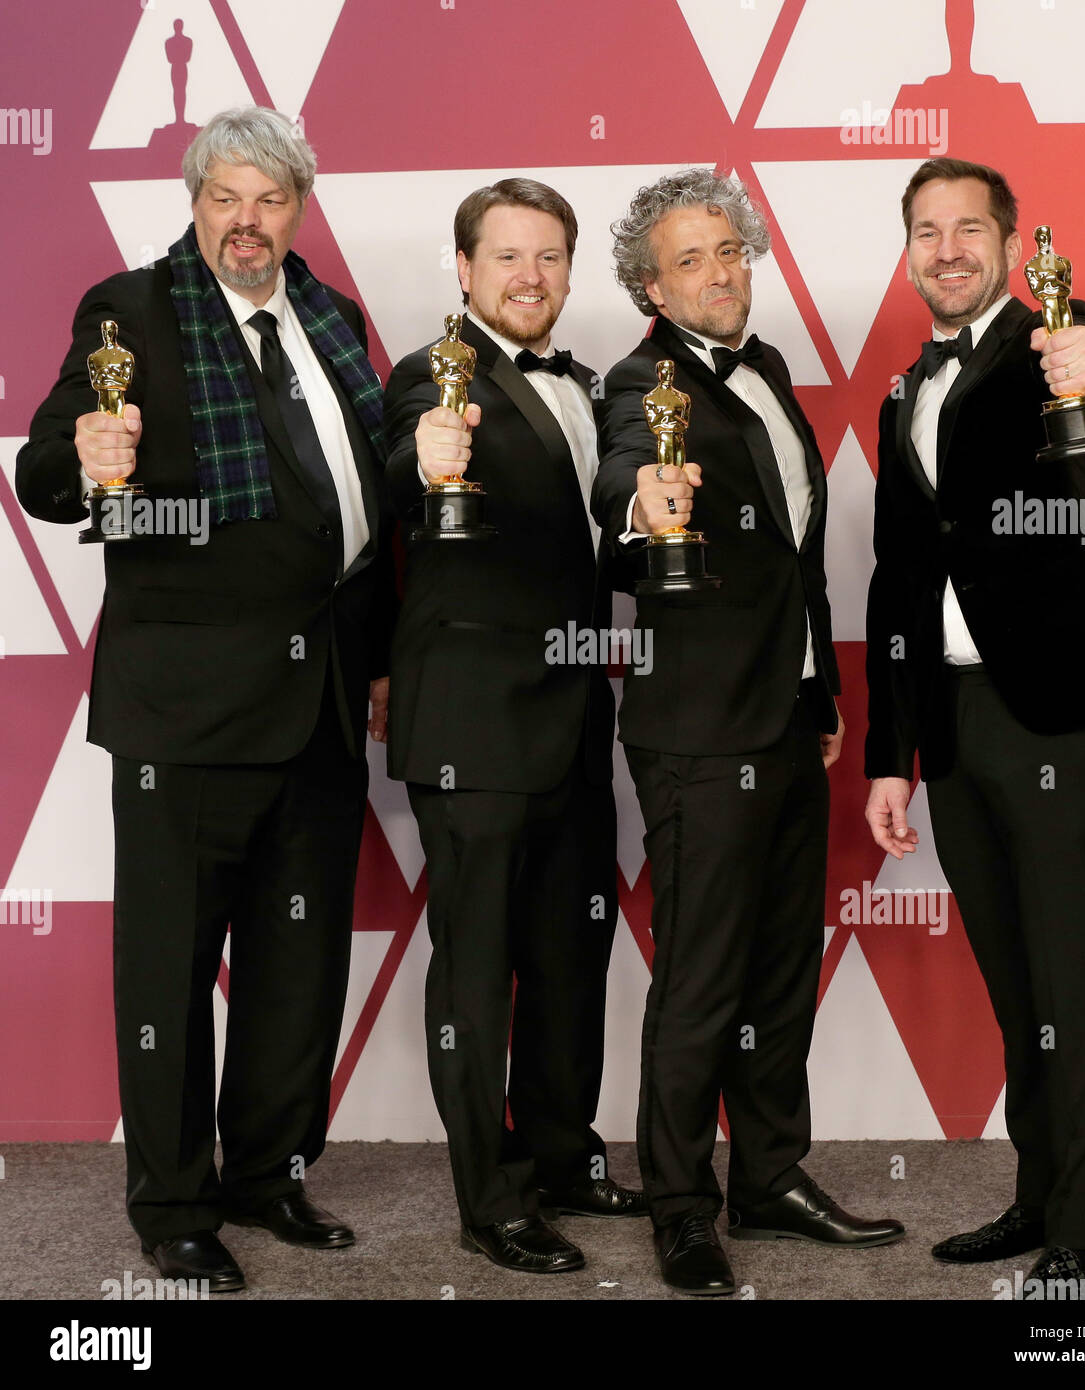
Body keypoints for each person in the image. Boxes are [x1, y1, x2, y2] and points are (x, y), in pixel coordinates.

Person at [16, 106, 393, 1294]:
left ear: (297, 207)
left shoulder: (332, 317)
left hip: (323, 693)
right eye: (226, 197)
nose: (248, 221)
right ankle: (174, 1201)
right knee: (170, 968)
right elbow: (41, 471)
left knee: (299, 960)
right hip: (186, 706)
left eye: (270, 198)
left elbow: (370, 503)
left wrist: (377, 661)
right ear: (194, 202)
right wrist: (90, 457)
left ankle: (268, 1172)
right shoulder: (132, 310)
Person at [593, 168, 904, 1297]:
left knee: (778, 970)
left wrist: (818, 696)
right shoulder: (637, 384)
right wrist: (643, 504)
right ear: (648, 282)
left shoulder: (767, 369)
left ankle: (768, 1173)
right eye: (690, 259)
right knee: (701, 980)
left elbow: (793, 558)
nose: (719, 273)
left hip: (782, 721)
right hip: (694, 728)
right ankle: (681, 1204)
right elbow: (628, 473)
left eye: (729, 250)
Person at [864, 157, 1085, 1294]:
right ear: (905, 251)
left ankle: (1083, 1230)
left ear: (1005, 244)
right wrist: (887, 758)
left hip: (1051, 715)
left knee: (1068, 972)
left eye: (967, 229)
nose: (945, 248)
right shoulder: (904, 391)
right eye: (925, 230)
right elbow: (897, 580)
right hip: (950, 721)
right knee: (1013, 979)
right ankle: (1036, 1195)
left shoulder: (1055, 327)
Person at [383, 178, 644, 1276]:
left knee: (570, 952)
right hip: (473, 724)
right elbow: (408, 471)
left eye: (547, 257)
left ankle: (559, 1150)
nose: (529, 276)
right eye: (505, 257)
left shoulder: (588, 385)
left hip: (577, 714)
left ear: (569, 270)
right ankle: (485, 1196)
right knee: (477, 967)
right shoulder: (427, 381)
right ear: (464, 268)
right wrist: (426, 458)